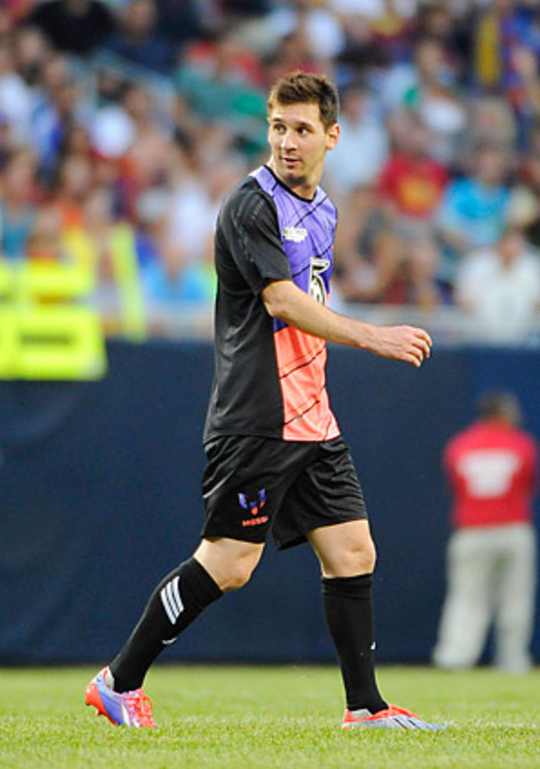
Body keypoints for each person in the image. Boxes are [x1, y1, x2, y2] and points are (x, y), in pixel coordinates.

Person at [84, 71, 441, 731]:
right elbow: (280, 300)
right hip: (260, 416)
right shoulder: (251, 205)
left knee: (354, 551)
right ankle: (116, 681)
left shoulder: (325, 210)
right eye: (278, 127)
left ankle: (365, 709)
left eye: (302, 129)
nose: (288, 141)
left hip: (313, 415)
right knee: (229, 563)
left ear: (332, 136)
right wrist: (373, 337)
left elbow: (308, 301)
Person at [433, 392, 539, 674]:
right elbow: (529, 485)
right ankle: (513, 661)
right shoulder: (521, 444)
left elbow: (455, 485)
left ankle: (455, 657)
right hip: (512, 528)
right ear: (503, 413)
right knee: (515, 598)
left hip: (471, 531)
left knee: (467, 596)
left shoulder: (460, 445)